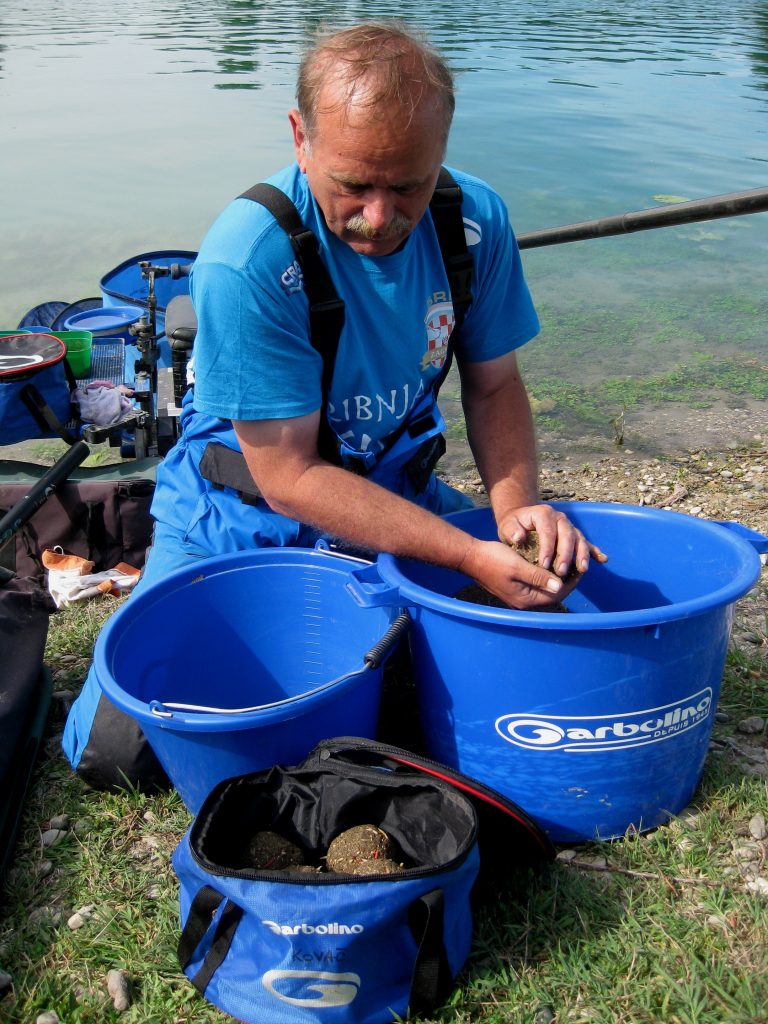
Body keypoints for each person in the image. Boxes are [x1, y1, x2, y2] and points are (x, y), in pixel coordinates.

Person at [63, 20, 604, 791]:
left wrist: (514, 512)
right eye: (353, 184)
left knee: (544, 616)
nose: (379, 218)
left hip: (393, 491)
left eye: (408, 184)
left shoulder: (473, 222)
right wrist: (462, 552)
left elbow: (493, 384)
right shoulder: (249, 256)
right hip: (243, 512)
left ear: (442, 147)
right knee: (117, 753)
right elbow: (288, 477)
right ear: (300, 137)